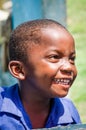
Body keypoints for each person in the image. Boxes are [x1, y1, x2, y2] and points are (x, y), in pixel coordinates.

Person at [0, 19, 81, 130]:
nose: (69, 67)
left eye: (72, 59)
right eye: (54, 57)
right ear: (19, 70)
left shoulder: (68, 111)